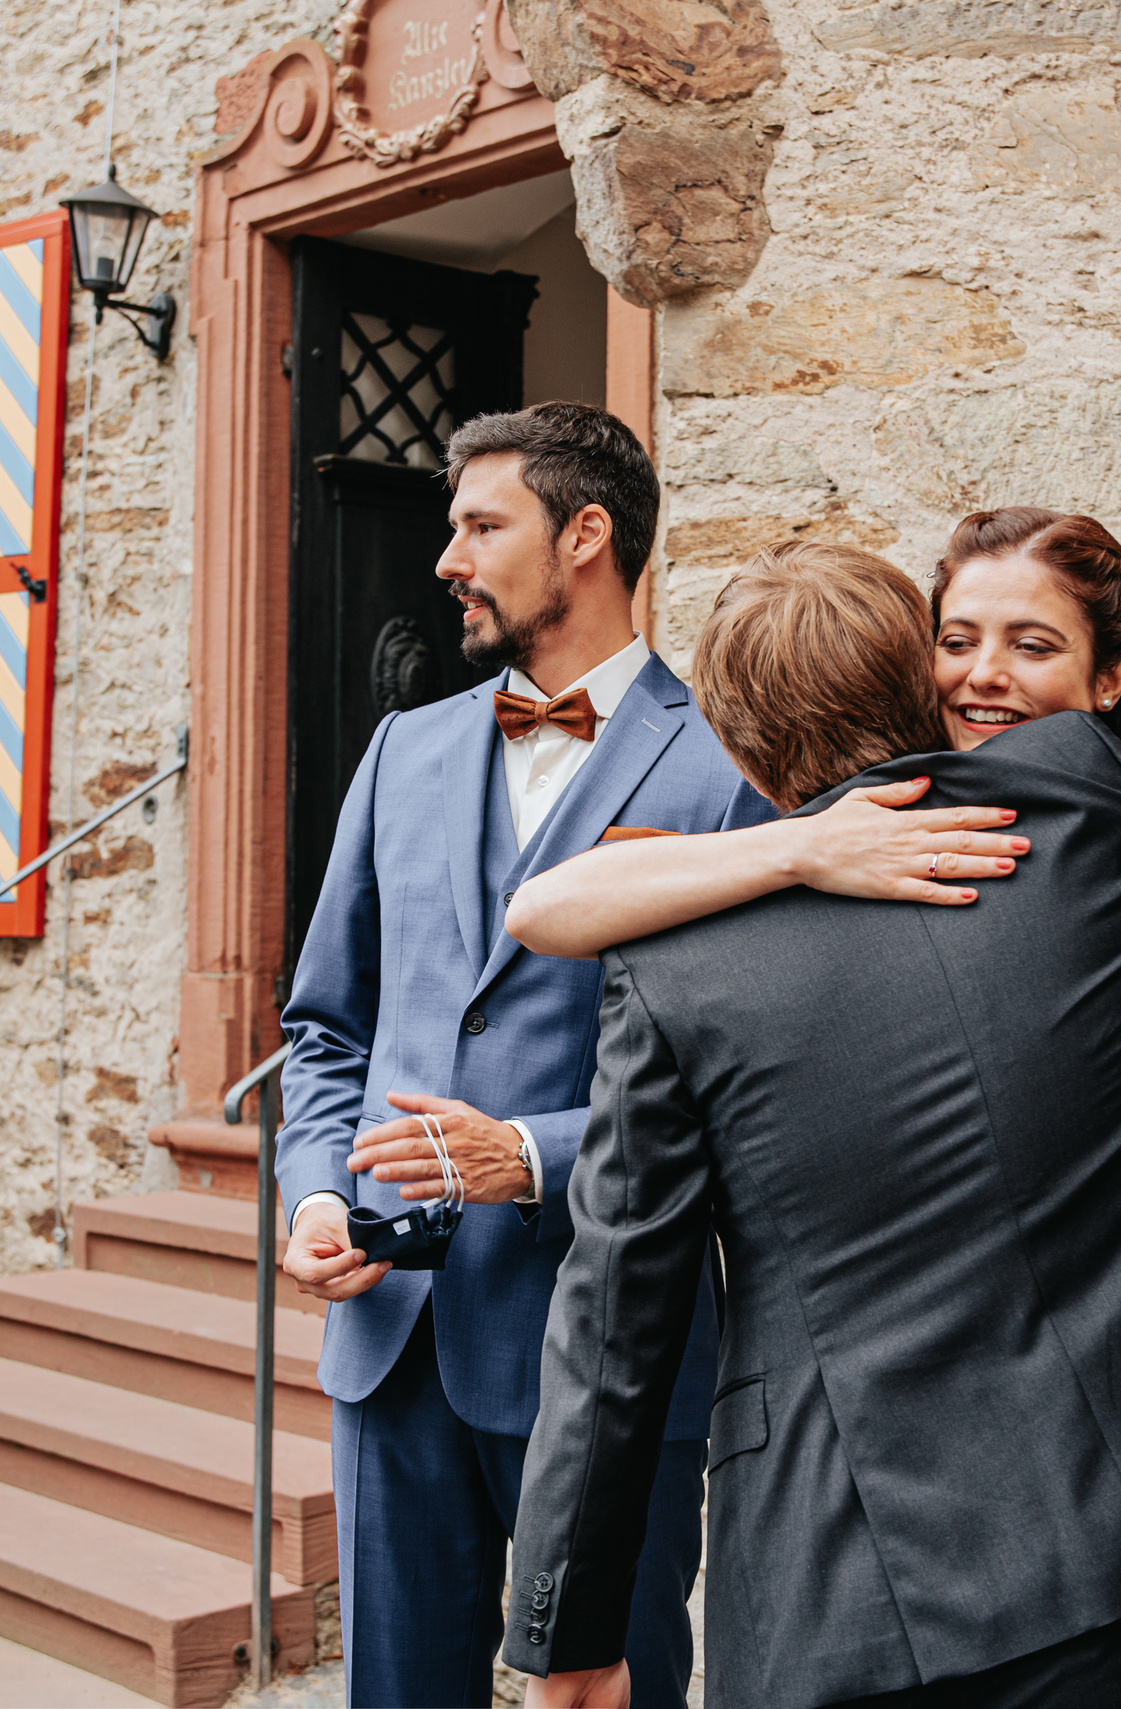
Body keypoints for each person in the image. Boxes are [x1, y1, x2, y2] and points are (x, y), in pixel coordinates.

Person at [509, 509, 1121, 1707]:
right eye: (958, 642)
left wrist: (569, 1639)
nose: (984, 675)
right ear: (921, 679)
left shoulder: (670, 963)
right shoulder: (1107, 816)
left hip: (832, 1593)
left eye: (1027, 643)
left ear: (736, 749)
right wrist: (810, 847)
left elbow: (612, 1331)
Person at [272, 401, 772, 1708]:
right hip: (392, 1333)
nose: (448, 558)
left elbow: (751, 1077)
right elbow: (325, 1026)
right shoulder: (403, 749)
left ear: (585, 536)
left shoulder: (729, 772)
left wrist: (533, 1155)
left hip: (609, 1343)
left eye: (481, 526)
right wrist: (318, 1191)